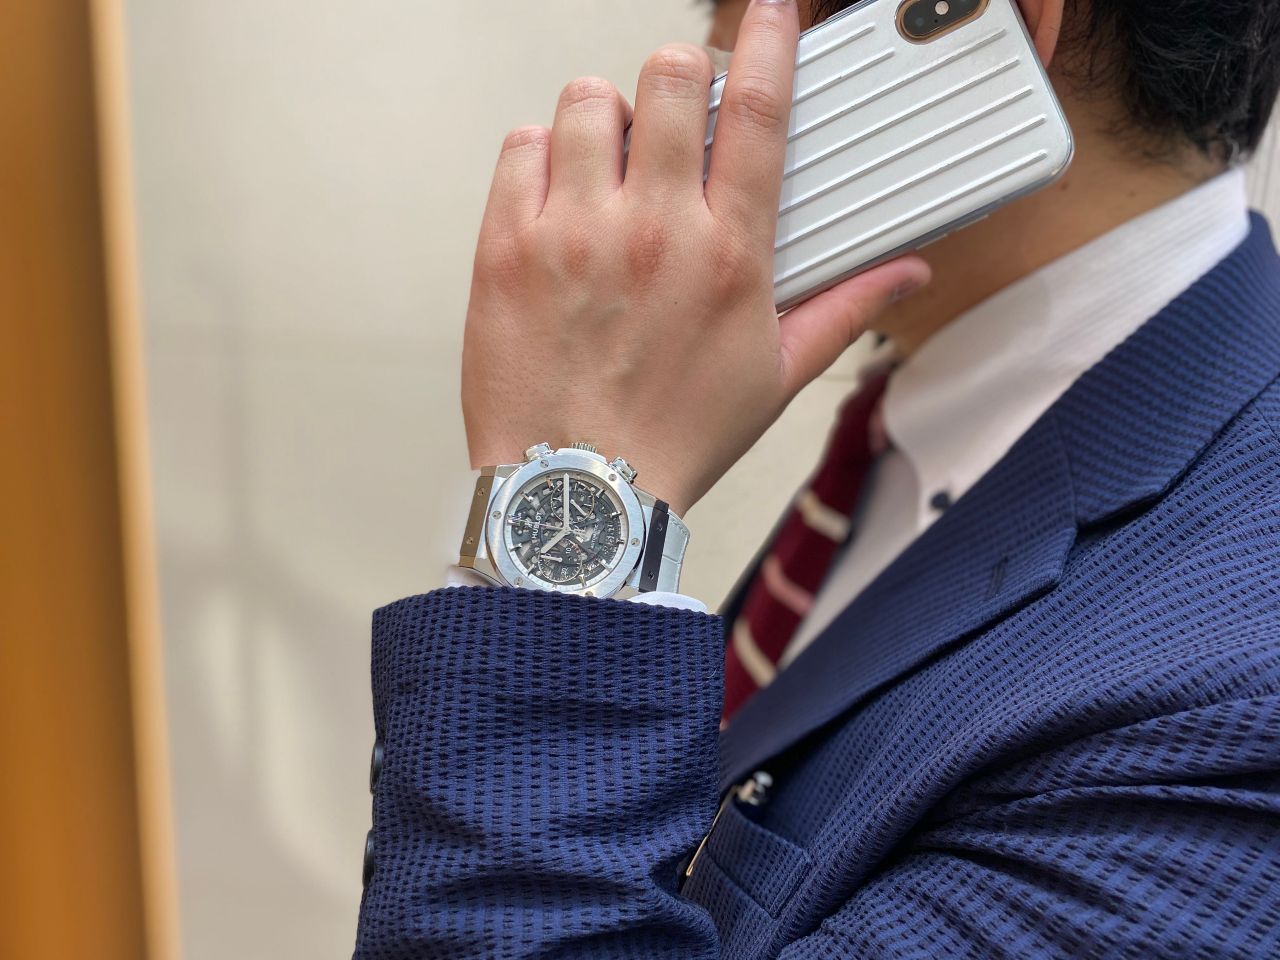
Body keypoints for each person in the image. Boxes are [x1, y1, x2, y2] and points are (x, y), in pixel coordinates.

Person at [354, 0, 1280, 955]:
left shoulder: (1233, 728)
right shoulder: (925, 421)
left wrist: (570, 496)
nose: (705, 59)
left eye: (732, 22)